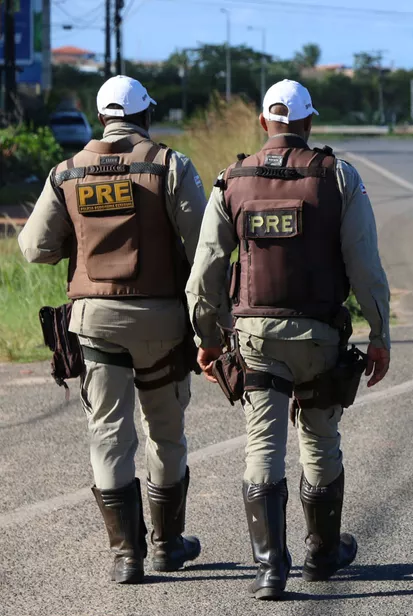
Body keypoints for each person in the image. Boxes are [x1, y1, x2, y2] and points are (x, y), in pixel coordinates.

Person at [186, 79, 391, 600]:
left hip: (254, 337)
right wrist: (380, 332)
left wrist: (206, 336)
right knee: (319, 439)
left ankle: (270, 568)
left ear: (263, 124)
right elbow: (364, 266)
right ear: (309, 123)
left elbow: (207, 269)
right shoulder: (338, 176)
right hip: (320, 334)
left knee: (263, 443)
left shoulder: (231, 180)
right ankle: (322, 554)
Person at [18, 75, 206, 584]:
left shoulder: (66, 173)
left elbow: (35, 248)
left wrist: (76, 244)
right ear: (144, 115)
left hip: (95, 324)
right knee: (165, 433)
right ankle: (167, 545)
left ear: (101, 118)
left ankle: (127, 556)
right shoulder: (170, 165)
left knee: (107, 434)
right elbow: (204, 246)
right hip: (163, 323)